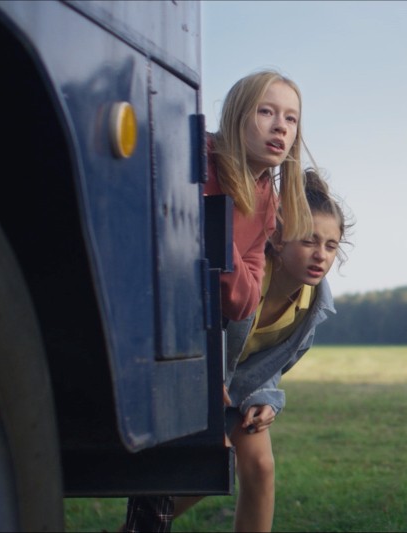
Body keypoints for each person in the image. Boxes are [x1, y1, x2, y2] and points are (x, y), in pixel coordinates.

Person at [123, 69, 313, 533]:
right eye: (266, 111)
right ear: (236, 116)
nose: (280, 127)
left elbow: (241, 300)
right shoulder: (200, 161)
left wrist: (214, 230)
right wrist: (216, 228)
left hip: (204, 339)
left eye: (290, 118)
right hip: (151, 325)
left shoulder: (267, 200)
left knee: (217, 458)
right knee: (186, 454)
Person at [171, 168, 350, 532]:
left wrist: (267, 399)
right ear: (279, 238)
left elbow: (272, 365)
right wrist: (204, 382)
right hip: (195, 383)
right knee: (215, 461)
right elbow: (196, 323)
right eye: (308, 241)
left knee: (261, 467)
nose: (320, 255)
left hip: (236, 395)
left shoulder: (313, 303)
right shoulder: (248, 274)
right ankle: (139, 525)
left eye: (331, 246)